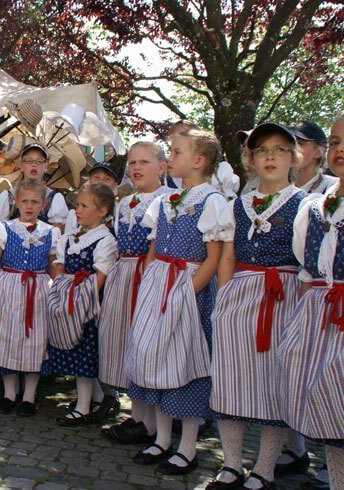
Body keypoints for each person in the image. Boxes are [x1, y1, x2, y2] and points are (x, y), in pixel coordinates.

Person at [124, 128, 231, 475]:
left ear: (198, 161)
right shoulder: (166, 200)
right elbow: (155, 250)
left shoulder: (211, 201)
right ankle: (162, 439)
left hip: (187, 288)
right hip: (159, 285)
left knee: (184, 364)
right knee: (154, 357)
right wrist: (151, 283)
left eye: (176, 152)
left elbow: (213, 258)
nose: (170, 157)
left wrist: (187, 293)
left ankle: (187, 447)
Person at [207, 123, 306, 489]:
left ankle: (264, 468)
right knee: (230, 379)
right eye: (261, 149)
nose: (269, 156)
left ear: (293, 158)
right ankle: (231, 464)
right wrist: (224, 298)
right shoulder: (238, 205)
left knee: (270, 385)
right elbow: (228, 255)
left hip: (281, 296)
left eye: (280, 149)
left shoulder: (304, 204)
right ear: (250, 159)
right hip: (240, 294)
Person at [279, 116, 344, 490]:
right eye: (335, 142)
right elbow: (309, 267)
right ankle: (332, 476)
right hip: (318, 310)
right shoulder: (316, 205)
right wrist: (302, 318)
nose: (340, 150)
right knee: (318, 391)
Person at [99, 142, 169, 444]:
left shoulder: (168, 199)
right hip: (124, 274)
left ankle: (151, 421)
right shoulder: (125, 202)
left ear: (162, 168)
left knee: (145, 344)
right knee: (123, 340)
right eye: (132, 162)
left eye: (144, 162)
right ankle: (138, 417)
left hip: (149, 275)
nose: (136, 168)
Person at [45, 184, 118, 425]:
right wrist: (59, 290)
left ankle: (84, 407)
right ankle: (95, 400)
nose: (77, 210)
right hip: (69, 299)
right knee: (77, 353)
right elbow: (60, 266)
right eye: (77, 204)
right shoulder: (72, 236)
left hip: (87, 306)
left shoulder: (105, 240)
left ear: (102, 211)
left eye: (84, 206)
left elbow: (100, 276)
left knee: (85, 357)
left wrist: (79, 299)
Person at [0, 179, 60, 417]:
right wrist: (5, 282)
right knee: (8, 336)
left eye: (35, 202)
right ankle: (9, 393)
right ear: (16, 202)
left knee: (35, 340)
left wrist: (53, 288)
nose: (29, 206)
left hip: (38, 289)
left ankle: (29, 395)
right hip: (10, 286)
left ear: (44, 204)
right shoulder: (4, 227)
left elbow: (53, 265)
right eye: (25, 201)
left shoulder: (50, 232)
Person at [0, 144, 68, 231]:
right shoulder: (7, 196)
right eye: (29, 161)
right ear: (22, 165)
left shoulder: (54, 198)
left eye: (39, 161)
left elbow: (58, 236)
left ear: (46, 166)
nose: (34, 165)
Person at [290, 120, 335, 194]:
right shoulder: (277, 191)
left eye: (299, 143)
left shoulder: (334, 188)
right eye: (289, 144)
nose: (291, 149)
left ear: (317, 152)